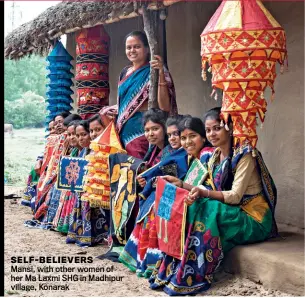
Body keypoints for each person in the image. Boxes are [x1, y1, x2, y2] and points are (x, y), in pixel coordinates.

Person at [149, 108, 277, 296]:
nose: (212, 134)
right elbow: (206, 186)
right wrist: (183, 185)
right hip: (233, 212)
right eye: (208, 130)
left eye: (217, 128)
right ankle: (180, 266)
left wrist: (202, 193)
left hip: (253, 217)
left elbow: (234, 196)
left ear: (230, 128)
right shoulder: (216, 156)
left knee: (206, 208)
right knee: (188, 203)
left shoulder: (246, 154)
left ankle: (196, 270)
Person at [118, 110, 186, 276]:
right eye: (147, 130)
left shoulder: (175, 151)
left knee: (153, 210)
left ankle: (154, 260)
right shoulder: (154, 151)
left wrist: (150, 182)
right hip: (158, 192)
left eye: (155, 129)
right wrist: (145, 181)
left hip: (174, 192)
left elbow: (176, 174)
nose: (150, 134)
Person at [101, 31, 177, 159]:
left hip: (143, 129)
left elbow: (165, 106)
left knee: (140, 166)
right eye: (128, 47)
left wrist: (160, 74)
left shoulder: (154, 70)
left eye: (137, 46)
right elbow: (123, 104)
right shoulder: (124, 72)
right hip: (124, 129)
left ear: (147, 49)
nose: (132, 51)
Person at [66, 119, 109, 246]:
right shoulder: (84, 151)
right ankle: (84, 235)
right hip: (85, 188)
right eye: (91, 131)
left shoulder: (99, 150)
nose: (93, 134)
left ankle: (98, 235)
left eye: (84, 134)